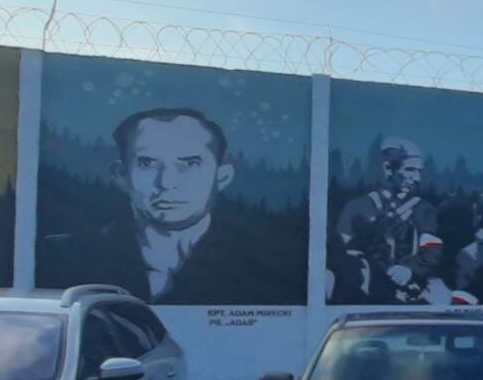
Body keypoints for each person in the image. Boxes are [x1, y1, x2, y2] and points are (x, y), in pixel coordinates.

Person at [38, 107, 295, 303]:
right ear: (121, 175)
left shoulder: (269, 265)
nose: (167, 182)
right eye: (147, 163)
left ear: (222, 176)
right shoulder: (64, 258)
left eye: (191, 163)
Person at [331, 138, 445, 304]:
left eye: (419, 171)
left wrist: (410, 270)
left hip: (412, 289)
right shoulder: (357, 208)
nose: (417, 178)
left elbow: (432, 250)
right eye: (410, 170)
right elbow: (342, 251)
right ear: (388, 168)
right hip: (367, 292)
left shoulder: (423, 209)